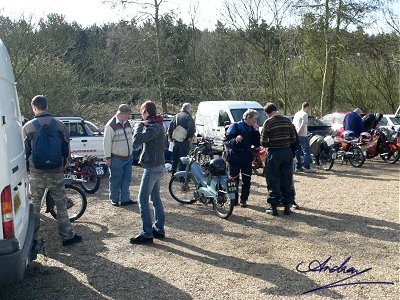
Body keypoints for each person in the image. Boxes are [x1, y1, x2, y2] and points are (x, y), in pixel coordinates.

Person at [23, 95, 82, 246]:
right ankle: (67, 236)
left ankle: (32, 239)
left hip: (36, 172)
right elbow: (66, 150)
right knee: (61, 204)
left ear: (34, 108)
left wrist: (28, 169)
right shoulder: (60, 125)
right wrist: (63, 165)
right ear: (47, 106)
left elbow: (25, 152)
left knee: (34, 206)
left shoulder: (28, 127)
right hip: (56, 171)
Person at [130, 100, 166, 244]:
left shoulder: (154, 127)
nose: (141, 115)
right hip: (159, 166)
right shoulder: (159, 124)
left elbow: (137, 140)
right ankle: (159, 229)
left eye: (141, 112)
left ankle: (147, 233)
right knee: (155, 199)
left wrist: (139, 125)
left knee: (142, 199)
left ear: (146, 112)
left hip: (152, 168)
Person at [261, 102, 297, 216]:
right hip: (287, 152)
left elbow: (263, 142)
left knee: (273, 179)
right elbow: (293, 138)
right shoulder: (287, 121)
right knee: (287, 179)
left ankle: (274, 207)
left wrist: (272, 142)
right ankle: (287, 206)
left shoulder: (268, 122)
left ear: (267, 113)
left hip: (274, 153)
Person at [225, 109, 260, 207]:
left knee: (247, 180)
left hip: (246, 157)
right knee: (233, 179)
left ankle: (244, 200)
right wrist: (235, 140)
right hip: (234, 157)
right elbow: (226, 141)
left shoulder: (253, 128)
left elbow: (257, 144)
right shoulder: (235, 126)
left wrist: (257, 132)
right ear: (248, 118)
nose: (255, 121)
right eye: (254, 118)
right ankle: (233, 199)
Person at [103, 104, 135, 206]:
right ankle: (114, 199)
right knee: (116, 179)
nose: (129, 116)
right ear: (122, 114)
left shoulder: (127, 123)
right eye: (128, 114)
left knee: (127, 178)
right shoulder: (110, 125)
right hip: (116, 158)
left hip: (128, 157)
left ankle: (125, 198)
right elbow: (106, 143)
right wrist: (108, 158)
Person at [168, 103, 196, 175]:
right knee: (183, 159)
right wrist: (188, 137)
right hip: (184, 141)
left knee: (175, 158)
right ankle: (181, 176)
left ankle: (173, 174)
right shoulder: (188, 117)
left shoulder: (176, 116)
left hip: (176, 140)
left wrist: (171, 138)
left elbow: (170, 128)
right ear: (188, 109)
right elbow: (191, 129)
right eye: (191, 108)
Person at [292, 102, 315, 173]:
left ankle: (298, 167)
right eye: (308, 108)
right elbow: (303, 124)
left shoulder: (297, 114)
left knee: (298, 151)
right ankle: (307, 167)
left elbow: (293, 124)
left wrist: (296, 133)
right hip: (302, 135)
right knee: (306, 151)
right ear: (306, 107)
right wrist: (299, 132)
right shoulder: (305, 115)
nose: (308, 110)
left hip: (296, 134)